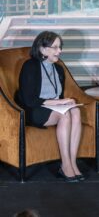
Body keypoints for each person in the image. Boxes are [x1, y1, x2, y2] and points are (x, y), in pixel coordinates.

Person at [17, 31, 84, 182]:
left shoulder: (59, 69)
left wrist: (65, 102)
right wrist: (60, 102)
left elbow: (58, 96)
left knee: (76, 111)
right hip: (34, 110)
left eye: (60, 47)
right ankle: (65, 165)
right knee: (65, 115)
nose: (59, 51)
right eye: (55, 47)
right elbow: (29, 100)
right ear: (42, 49)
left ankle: (73, 162)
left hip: (53, 108)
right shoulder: (30, 66)